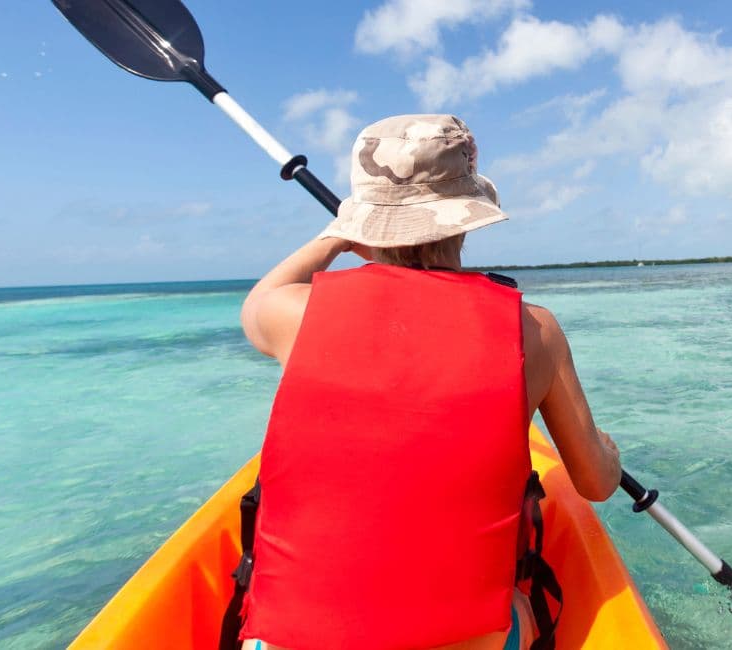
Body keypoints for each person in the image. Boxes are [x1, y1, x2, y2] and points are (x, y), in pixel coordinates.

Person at [234, 114, 623, 650]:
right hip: (465, 641)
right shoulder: (535, 331)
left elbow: (256, 303)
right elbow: (597, 485)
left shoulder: (294, 314)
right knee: (520, 606)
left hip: (289, 641)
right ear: (464, 219)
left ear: (364, 221)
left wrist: (337, 236)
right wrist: (607, 448)